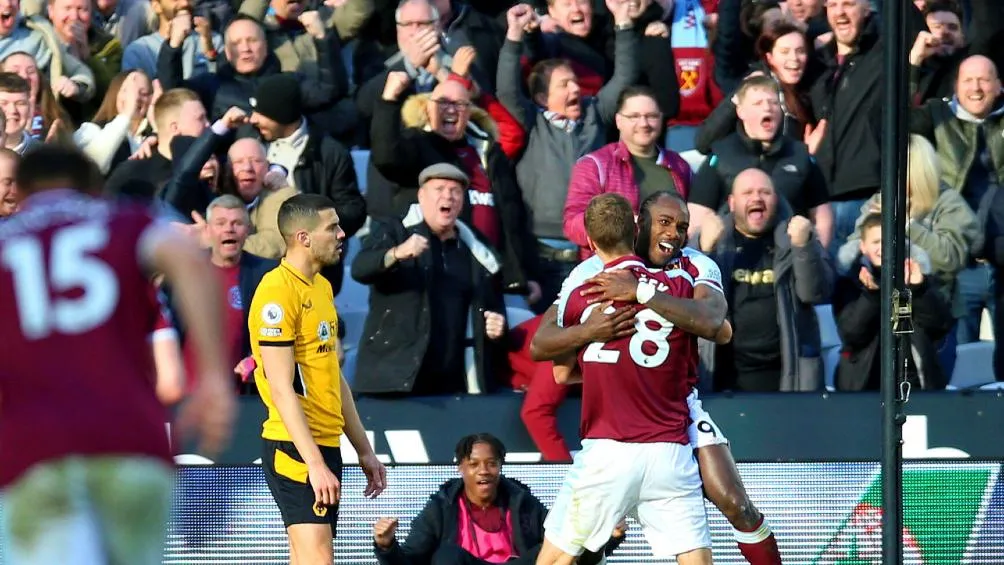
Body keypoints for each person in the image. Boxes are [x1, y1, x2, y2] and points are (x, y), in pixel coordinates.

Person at [0, 145, 235, 564]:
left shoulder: (6, 242)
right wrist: (215, 376)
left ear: (19, 190)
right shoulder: (124, 220)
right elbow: (188, 258)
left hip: (33, 452)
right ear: (94, 187)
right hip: (130, 442)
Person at [531, 191, 782, 565]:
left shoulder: (695, 264)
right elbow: (557, 358)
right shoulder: (590, 271)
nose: (675, 233)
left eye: (682, 226)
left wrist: (641, 293)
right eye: (665, 222)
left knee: (734, 501)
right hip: (643, 418)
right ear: (639, 224)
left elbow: (718, 326)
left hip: (677, 402)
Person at [248, 193, 388, 565]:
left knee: (308, 557)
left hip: (323, 444)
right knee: (317, 558)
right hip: (293, 447)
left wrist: (363, 450)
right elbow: (281, 387)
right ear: (303, 238)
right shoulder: (277, 292)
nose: (342, 234)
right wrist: (313, 463)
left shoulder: (322, 288)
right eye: (333, 227)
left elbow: (333, 376)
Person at [372, 433, 622, 565]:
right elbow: (411, 560)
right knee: (446, 556)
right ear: (461, 468)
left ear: (501, 467)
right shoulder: (442, 505)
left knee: (545, 552)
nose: (483, 471)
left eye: (492, 464)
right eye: (474, 464)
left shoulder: (521, 501)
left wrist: (607, 537)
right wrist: (386, 545)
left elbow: (565, 545)